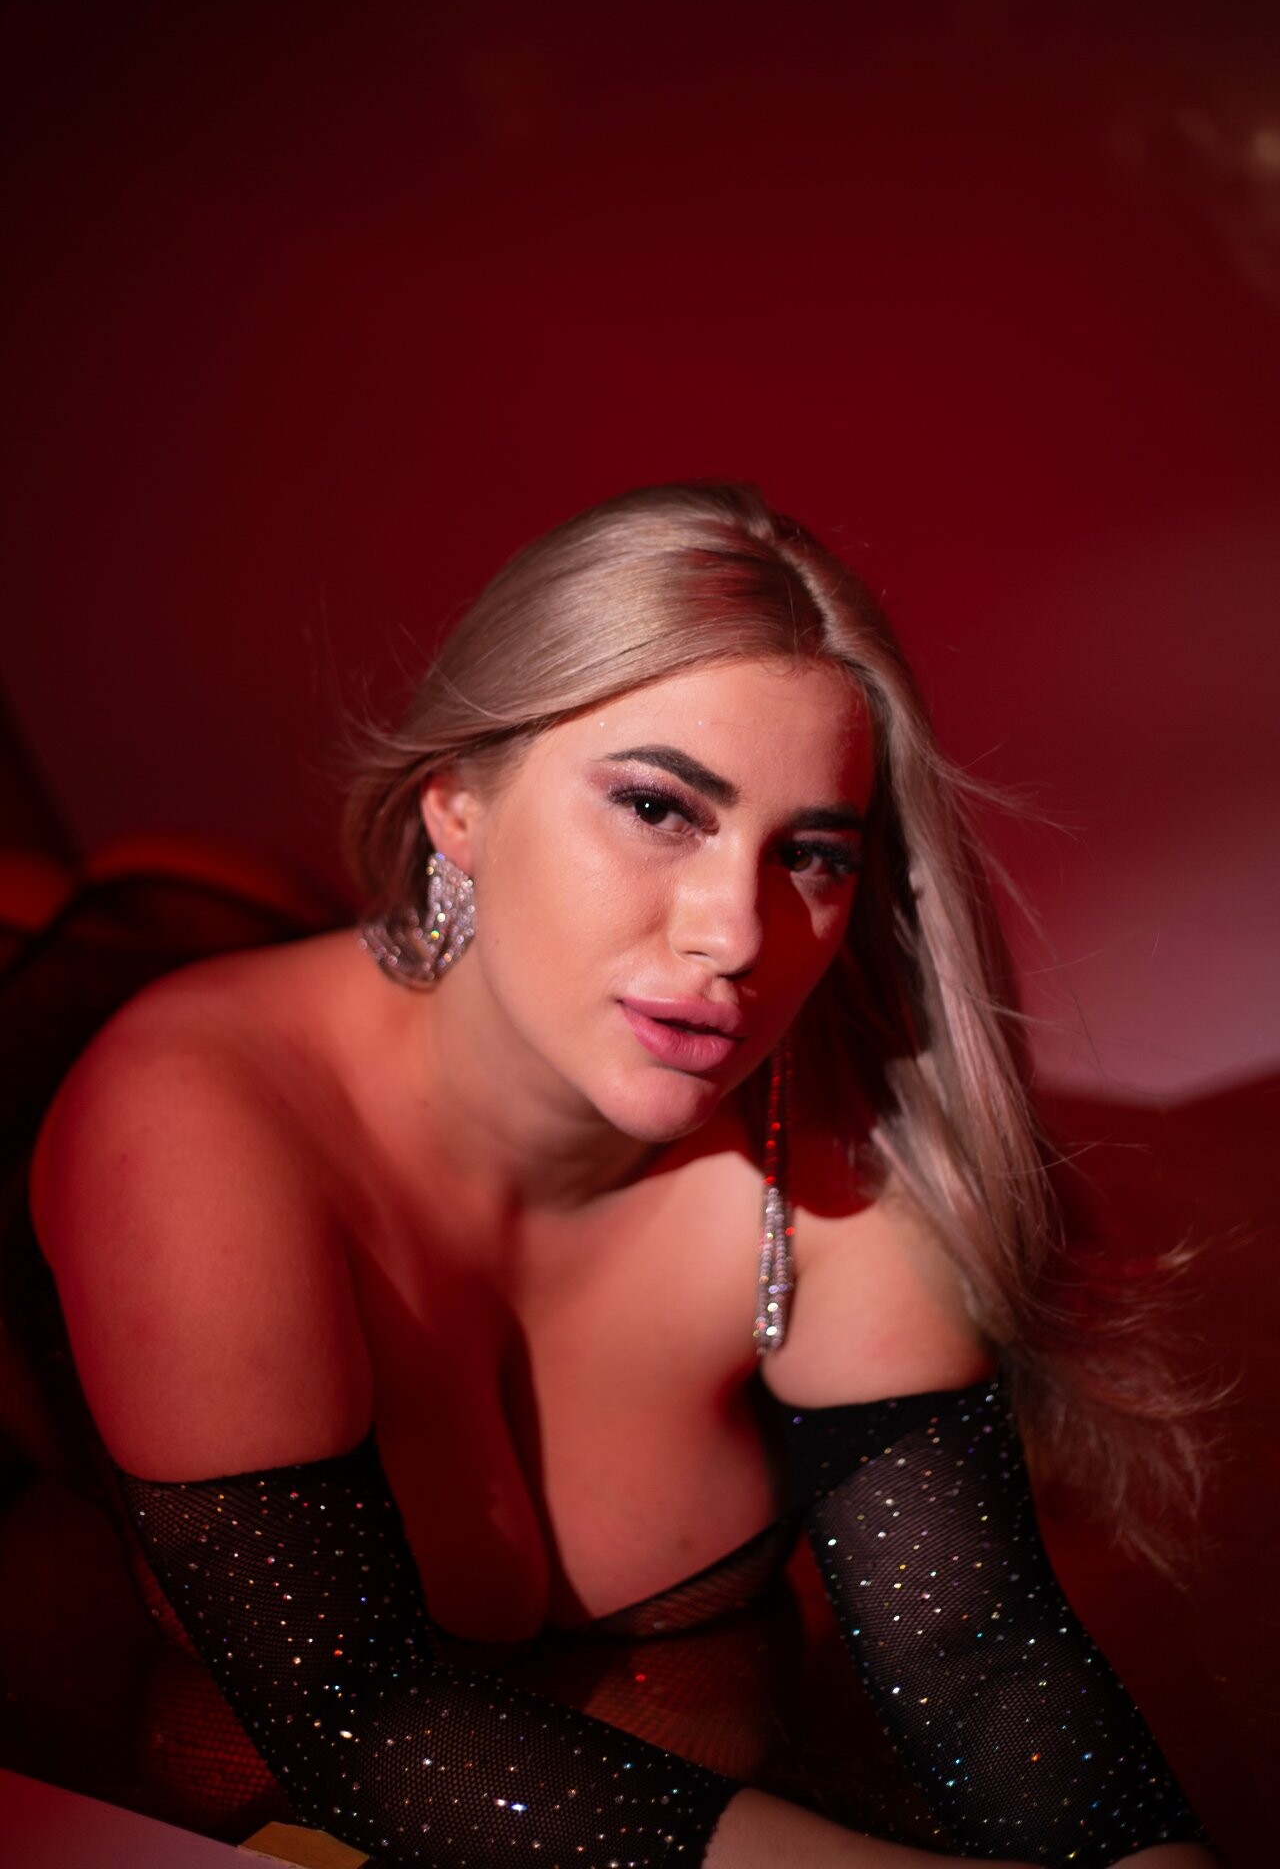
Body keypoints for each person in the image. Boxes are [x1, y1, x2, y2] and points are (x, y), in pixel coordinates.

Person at [30, 482, 1218, 1867]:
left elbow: (981, 1658)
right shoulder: (188, 1122)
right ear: (457, 804)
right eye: (658, 806)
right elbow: (353, 1716)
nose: (737, 935)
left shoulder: (831, 1154)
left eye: (811, 854)